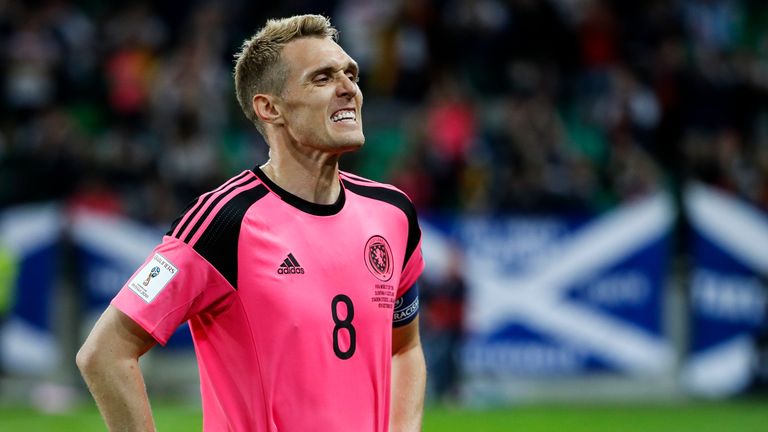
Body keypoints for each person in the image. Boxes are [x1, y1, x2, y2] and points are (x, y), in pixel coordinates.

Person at [76, 14, 426, 432]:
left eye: (350, 74)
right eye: (322, 78)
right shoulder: (224, 221)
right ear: (269, 107)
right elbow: (104, 353)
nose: (349, 88)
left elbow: (404, 348)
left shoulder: (392, 213)